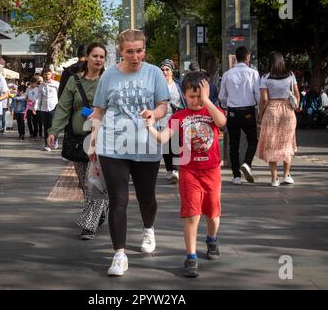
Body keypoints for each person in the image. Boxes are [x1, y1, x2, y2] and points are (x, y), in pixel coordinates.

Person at [89, 29, 170, 277]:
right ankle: (119, 255)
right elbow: (99, 111)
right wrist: (93, 143)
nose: (136, 57)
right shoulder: (109, 76)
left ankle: (148, 227)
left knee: (147, 198)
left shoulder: (154, 72)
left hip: (146, 145)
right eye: (130, 52)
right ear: (121, 52)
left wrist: (153, 114)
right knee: (118, 200)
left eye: (140, 51)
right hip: (113, 145)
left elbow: (163, 105)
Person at [147, 71, 226, 278]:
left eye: (200, 95)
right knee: (192, 214)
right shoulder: (179, 116)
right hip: (189, 171)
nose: (197, 101)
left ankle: (211, 238)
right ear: (184, 95)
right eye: (192, 96)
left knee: (212, 212)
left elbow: (222, 122)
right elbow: (162, 138)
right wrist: (149, 127)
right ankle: (191, 256)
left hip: (212, 171)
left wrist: (208, 100)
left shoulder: (211, 111)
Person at [47, 43, 109, 240]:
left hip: (101, 139)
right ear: (86, 58)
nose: (98, 59)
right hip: (77, 139)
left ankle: (89, 224)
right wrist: (53, 131)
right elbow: (64, 107)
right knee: (84, 183)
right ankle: (102, 208)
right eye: (95, 55)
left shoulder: (108, 81)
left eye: (102, 56)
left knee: (94, 182)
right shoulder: (74, 81)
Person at [218, 46, 260, 185]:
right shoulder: (253, 73)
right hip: (248, 111)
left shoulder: (227, 74)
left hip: (232, 112)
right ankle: (247, 163)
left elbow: (222, 96)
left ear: (235, 57)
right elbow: (258, 95)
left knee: (233, 144)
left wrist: (225, 106)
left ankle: (236, 176)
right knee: (253, 140)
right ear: (247, 57)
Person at [256, 51, 299, 186]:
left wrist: (260, 115)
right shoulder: (290, 75)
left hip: (272, 111)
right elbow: (297, 94)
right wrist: (295, 106)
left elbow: (264, 99)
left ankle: (274, 179)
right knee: (287, 142)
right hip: (288, 110)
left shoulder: (265, 77)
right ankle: (286, 175)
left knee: (271, 143)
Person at [158, 59, 186, 183]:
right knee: (165, 145)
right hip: (162, 117)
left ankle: (175, 169)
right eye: (162, 70)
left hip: (176, 117)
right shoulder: (157, 85)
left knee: (175, 143)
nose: (165, 72)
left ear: (172, 71)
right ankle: (169, 169)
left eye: (167, 69)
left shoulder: (178, 85)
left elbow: (184, 99)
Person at [34, 69, 59, 151]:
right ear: (43, 75)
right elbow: (39, 97)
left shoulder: (56, 84)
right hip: (44, 109)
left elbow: (60, 95)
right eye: (45, 74)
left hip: (53, 108)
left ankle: (54, 141)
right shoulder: (41, 86)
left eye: (48, 74)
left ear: (51, 74)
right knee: (46, 127)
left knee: (52, 126)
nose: (47, 76)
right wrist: (36, 107)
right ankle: (47, 144)